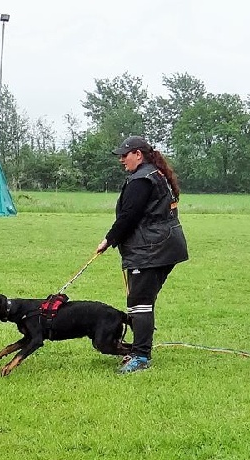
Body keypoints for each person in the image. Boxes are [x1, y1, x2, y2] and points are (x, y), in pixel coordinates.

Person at [95, 135, 188, 374]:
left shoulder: (142, 180)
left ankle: (141, 357)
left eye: (125, 155)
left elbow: (129, 216)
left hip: (151, 248)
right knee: (142, 300)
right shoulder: (155, 174)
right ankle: (138, 349)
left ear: (138, 154)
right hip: (165, 245)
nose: (122, 161)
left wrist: (109, 239)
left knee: (140, 302)